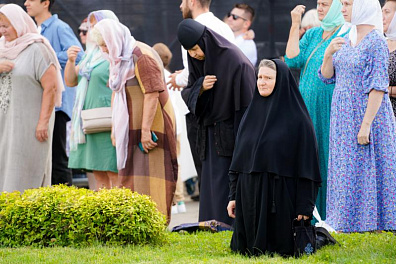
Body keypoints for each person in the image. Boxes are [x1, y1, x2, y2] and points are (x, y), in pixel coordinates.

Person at [227, 59, 321, 256]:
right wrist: (233, 197)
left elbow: (308, 167)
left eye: (268, 78)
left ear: (281, 81)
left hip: (280, 201)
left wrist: (305, 206)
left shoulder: (298, 120)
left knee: (279, 249)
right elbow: (238, 162)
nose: (262, 82)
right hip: (249, 197)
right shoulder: (250, 115)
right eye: (259, 77)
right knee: (247, 251)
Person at [320, 0, 396, 232]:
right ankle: (342, 219)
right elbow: (326, 77)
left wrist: (366, 126)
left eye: (347, 3)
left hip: (366, 114)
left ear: (362, 6)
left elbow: (378, 87)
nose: (342, 8)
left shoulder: (376, 42)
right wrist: (328, 54)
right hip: (342, 116)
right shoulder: (346, 37)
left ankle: (368, 221)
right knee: (344, 167)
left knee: (366, 167)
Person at [91, 19, 177, 222]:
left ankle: (154, 223)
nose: (104, 50)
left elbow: (152, 93)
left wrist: (145, 131)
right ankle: (135, 223)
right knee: (133, 174)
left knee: (152, 175)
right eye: (101, 46)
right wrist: (115, 128)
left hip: (150, 128)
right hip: (132, 127)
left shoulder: (141, 56)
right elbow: (117, 92)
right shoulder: (121, 58)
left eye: (105, 45)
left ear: (114, 40)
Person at [177, 19, 255, 225]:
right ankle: (210, 224)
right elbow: (188, 91)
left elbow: (246, 101)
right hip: (209, 135)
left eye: (195, 49)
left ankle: (229, 225)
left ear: (205, 40)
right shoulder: (197, 60)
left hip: (231, 134)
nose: (194, 55)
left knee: (225, 182)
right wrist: (200, 88)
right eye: (189, 51)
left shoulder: (233, 60)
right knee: (211, 184)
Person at [169, 0, 235, 202]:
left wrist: (176, 79)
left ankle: (213, 214)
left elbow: (191, 74)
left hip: (204, 111)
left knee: (206, 169)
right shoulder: (224, 27)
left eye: (183, 1)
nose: (180, 5)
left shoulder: (192, 30)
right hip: (226, 109)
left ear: (193, 1)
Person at [284, 0, 344, 221]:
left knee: (328, 157)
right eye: (318, 4)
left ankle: (331, 215)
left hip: (330, 106)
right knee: (309, 158)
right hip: (306, 106)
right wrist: (294, 24)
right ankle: (310, 213)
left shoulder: (346, 34)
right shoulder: (313, 34)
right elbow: (291, 59)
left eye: (325, 5)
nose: (319, 8)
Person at [0, 4, 64, 192]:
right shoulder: (2, 48)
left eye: (6, 26)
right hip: (5, 124)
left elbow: (51, 87)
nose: (2, 31)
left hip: (30, 125)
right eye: (0, 26)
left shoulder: (38, 48)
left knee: (26, 169)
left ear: (19, 24)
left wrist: (43, 122)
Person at [24, 0, 84, 186]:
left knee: (58, 157)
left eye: (31, 0)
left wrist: (45, 58)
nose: (26, 3)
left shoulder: (59, 27)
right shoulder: (33, 29)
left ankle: (64, 206)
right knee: (44, 157)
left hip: (57, 104)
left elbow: (79, 54)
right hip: (39, 102)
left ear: (45, 3)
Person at [65, 10, 119, 190]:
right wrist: (71, 61)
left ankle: (119, 213)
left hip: (108, 121)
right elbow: (71, 81)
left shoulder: (115, 53)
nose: (93, 29)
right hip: (89, 121)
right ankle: (105, 215)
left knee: (113, 171)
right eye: (91, 26)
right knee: (98, 172)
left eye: (97, 24)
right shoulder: (90, 55)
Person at [153, 42, 198, 214]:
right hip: (176, 125)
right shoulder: (171, 75)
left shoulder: (159, 76)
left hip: (165, 125)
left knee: (164, 165)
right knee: (175, 164)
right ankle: (179, 201)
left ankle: (171, 201)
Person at [383, 0, 396, 116]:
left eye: (387, 12)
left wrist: (383, 89)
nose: (382, 17)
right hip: (379, 115)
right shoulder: (380, 43)